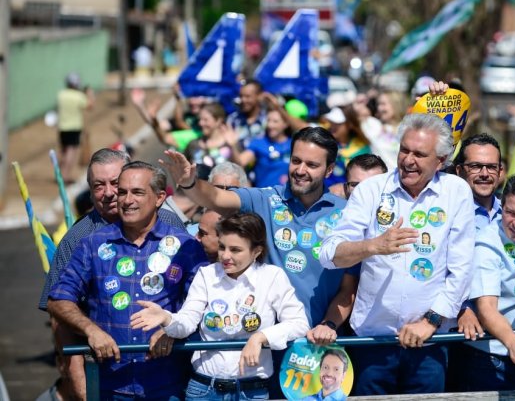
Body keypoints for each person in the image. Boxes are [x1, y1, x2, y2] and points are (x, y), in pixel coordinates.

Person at [160, 127, 359, 396]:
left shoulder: (346, 214)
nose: (300, 170)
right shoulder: (265, 198)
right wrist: (190, 183)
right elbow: (217, 197)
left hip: (315, 350)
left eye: (312, 164)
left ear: (329, 169)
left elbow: (349, 288)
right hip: (260, 354)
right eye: (296, 160)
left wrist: (329, 325)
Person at [319, 113, 475, 395]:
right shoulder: (370, 190)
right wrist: (372, 246)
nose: (408, 160)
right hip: (372, 344)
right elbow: (329, 254)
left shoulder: (457, 192)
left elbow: (461, 269)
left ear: (440, 161)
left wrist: (431, 322)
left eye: (419, 153)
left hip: (429, 346)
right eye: (404, 150)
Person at [48, 161, 208, 398]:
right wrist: (91, 330)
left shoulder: (185, 245)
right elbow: (58, 299)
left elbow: (208, 300)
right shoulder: (93, 244)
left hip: (169, 386)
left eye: (138, 192)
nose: (126, 200)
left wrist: (175, 329)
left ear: (160, 197)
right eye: (122, 192)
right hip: (109, 387)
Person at [131, 213, 309, 400]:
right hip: (204, 389)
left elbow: (299, 323)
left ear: (256, 251)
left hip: (252, 390)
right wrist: (167, 318)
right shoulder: (206, 275)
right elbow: (187, 322)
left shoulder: (272, 276)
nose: (225, 256)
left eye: (235, 250)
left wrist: (261, 337)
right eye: (222, 247)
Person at [458, 173, 515, 391]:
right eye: (510, 213)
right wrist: (513, 342)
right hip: (492, 360)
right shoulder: (486, 244)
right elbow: (486, 309)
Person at [306, 153, 387, 346]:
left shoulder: (397, 224)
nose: (364, 192)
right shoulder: (329, 220)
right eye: (355, 185)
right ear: (345, 187)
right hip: (321, 327)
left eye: (372, 185)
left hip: (374, 332)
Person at [455, 133, 505, 232]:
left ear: (500, 172)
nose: (484, 174)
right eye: (475, 166)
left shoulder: (513, 214)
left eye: (491, 167)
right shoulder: (448, 212)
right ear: (460, 171)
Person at [237, 108, 292, 187]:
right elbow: (240, 162)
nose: (270, 125)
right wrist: (232, 145)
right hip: (263, 195)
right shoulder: (259, 143)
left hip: (287, 196)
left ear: (285, 124)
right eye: (268, 120)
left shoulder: (293, 144)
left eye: (275, 121)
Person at [57, 72, 95, 183]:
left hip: (62, 127)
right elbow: (90, 106)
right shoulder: (79, 96)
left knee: (63, 152)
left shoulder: (61, 94)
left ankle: (59, 173)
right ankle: (64, 176)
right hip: (74, 127)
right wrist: (90, 94)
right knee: (71, 152)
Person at [321, 106, 371, 187]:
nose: (332, 126)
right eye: (331, 122)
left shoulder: (362, 149)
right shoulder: (322, 141)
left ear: (350, 124)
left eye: (337, 123)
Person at [226, 80, 267, 150]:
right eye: (241, 96)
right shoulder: (233, 119)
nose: (243, 100)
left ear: (259, 96)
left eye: (247, 96)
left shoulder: (268, 118)